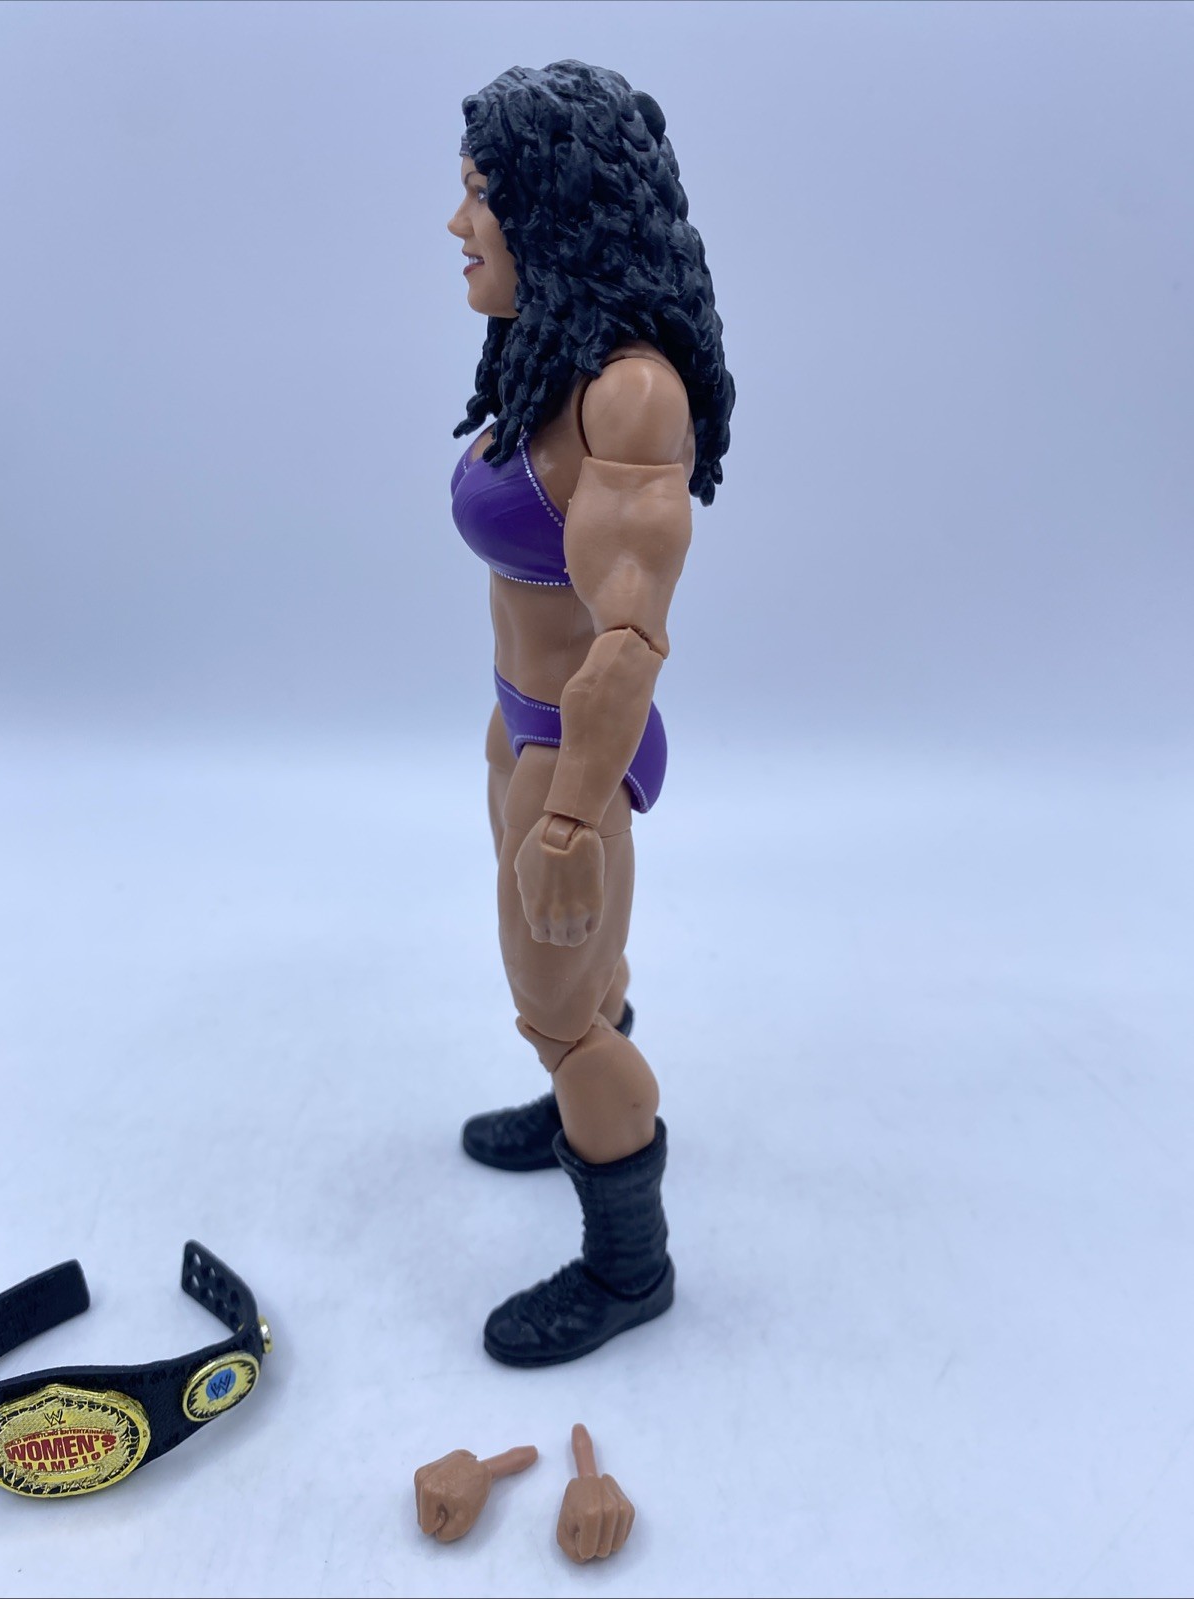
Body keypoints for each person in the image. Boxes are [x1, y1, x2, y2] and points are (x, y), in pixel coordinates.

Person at [445, 60, 734, 1366]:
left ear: (552, 208)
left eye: (482, 195)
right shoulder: (540, 349)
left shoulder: (629, 394)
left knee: (555, 1008)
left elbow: (628, 634)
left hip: (576, 749)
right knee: (576, 973)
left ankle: (629, 1265)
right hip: (520, 722)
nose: (460, 224)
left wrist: (566, 821)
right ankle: (575, 1066)